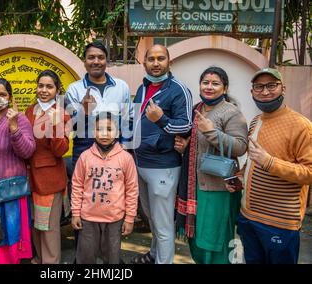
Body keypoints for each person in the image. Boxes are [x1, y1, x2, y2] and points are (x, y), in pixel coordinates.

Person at [236, 67, 312, 264]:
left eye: (272, 85)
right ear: (252, 91)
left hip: (280, 224)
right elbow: (254, 160)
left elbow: (309, 173)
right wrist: (239, 176)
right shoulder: (255, 121)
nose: (265, 91)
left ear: (283, 88)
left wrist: (269, 162)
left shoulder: (301, 125)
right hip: (248, 218)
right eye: (259, 87)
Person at [173, 66, 248, 264]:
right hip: (193, 186)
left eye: (215, 83)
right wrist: (185, 148)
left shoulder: (231, 112)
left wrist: (211, 132)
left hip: (218, 187)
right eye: (205, 82)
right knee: (197, 240)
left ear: (224, 88)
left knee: (216, 240)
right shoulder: (195, 109)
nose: (209, 87)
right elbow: (195, 146)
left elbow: (240, 147)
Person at [131, 44, 193, 264]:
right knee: (152, 218)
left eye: (160, 58)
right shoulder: (142, 88)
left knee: (164, 224)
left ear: (169, 62)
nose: (156, 63)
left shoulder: (178, 89)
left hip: (163, 166)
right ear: (144, 63)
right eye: (151, 59)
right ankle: (155, 255)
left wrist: (162, 120)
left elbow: (186, 125)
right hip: (140, 164)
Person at [0, 78, 36, 264]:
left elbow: (28, 152)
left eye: (2, 94)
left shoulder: (19, 119)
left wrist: (14, 128)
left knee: (10, 236)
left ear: (9, 97)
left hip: (10, 191)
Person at [71, 112, 138, 264]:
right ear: (93, 131)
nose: (104, 134)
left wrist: (130, 218)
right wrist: (75, 213)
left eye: (109, 129)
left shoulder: (126, 158)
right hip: (88, 219)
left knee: (112, 259)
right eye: (99, 129)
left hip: (114, 219)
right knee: (85, 258)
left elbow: (132, 190)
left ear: (118, 132)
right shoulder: (85, 157)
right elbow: (76, 186)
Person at [25, 70, 71, 264]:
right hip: (29, 176)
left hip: (49, 178)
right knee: (35, 224)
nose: (44, 90)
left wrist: (54, 126)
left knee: (49, 226)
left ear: (57, 90)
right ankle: (39, 259)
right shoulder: (30, 110)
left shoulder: (62, 114)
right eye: (41, 86)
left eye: (49, 86)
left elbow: (60, 150)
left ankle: (51, 263)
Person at [65, 41, 133, 171]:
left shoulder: (121, 86)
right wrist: (84, 111)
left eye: (101, 57)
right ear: (84, 62)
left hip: (116, 153)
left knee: (115, 191)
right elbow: (70, 127)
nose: (96, 61)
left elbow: (128, 119)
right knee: (82, 190)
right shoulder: (74, 89)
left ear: (106, 61)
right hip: (83, 152)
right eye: (91, 57)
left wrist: (124, 147)